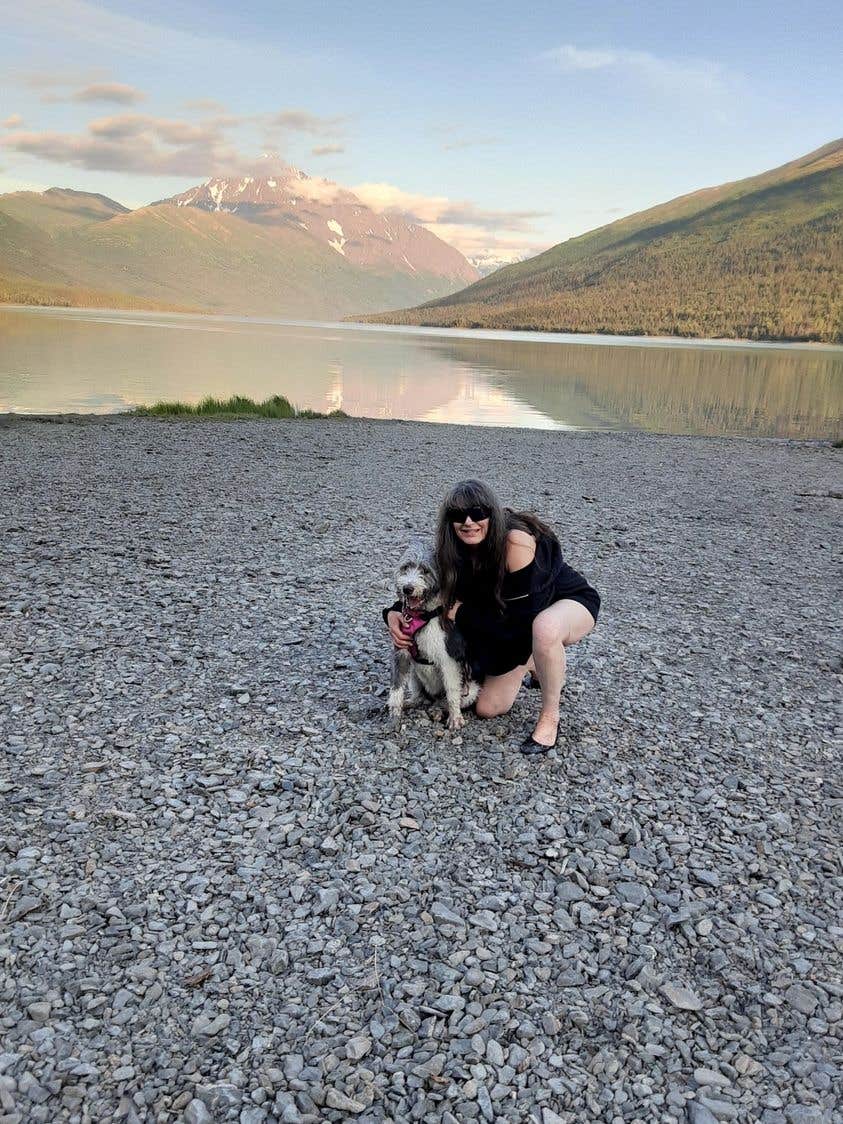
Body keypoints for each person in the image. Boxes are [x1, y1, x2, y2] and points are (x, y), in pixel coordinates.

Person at [385, 479, 600, 755]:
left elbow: (522, 621)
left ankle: (549, 717)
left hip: (563, 602)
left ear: (492, 513)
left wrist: (464, 613)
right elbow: (430, 585)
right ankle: (535, 661)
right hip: (509, 618)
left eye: (478, 513)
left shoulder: (514, 542)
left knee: (544, 629)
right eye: (458, 515)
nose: (468, 522)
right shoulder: (452, 547)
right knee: (487, 708)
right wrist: (393, 612)